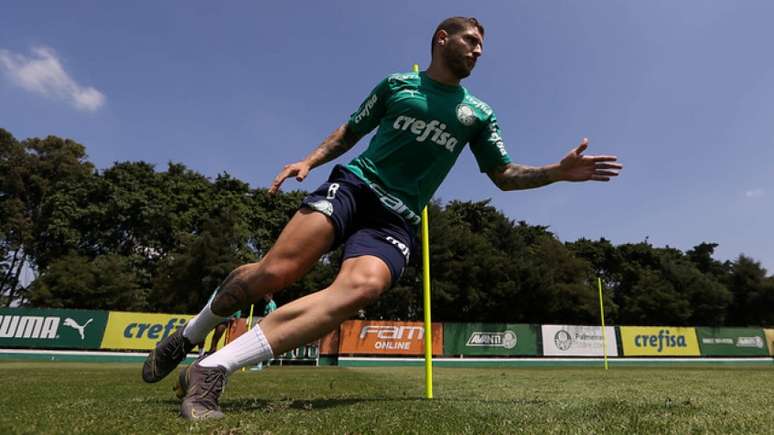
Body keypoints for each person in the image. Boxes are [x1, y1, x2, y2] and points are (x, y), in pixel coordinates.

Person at [142, 16, 622, 420]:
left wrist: (557, 172)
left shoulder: (478, 113)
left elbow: (503, 173)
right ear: (442, 39)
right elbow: (351, 131)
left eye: (482, 47)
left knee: (362, 289)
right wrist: (309, 160)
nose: (478, 51)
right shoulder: (398, 85)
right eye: (471, 41)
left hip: (396, 218)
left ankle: (212, 370)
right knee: (275, 273)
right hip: (353, 187)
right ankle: (189, 336)